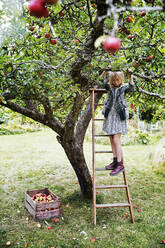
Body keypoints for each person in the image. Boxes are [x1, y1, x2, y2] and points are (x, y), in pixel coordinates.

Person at [101, 70, 134, 176]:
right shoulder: (110, 87)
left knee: (116, 139)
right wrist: (105, 71)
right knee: (111, 137)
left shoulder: (123, 88)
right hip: (110, 114)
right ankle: (115, 160)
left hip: (119, 116)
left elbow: (132, 88)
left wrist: (130, 76)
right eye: (113, 80)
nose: (115, 82)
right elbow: (102, 82)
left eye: (118, 79)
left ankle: (120, 164)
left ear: (121, 79)